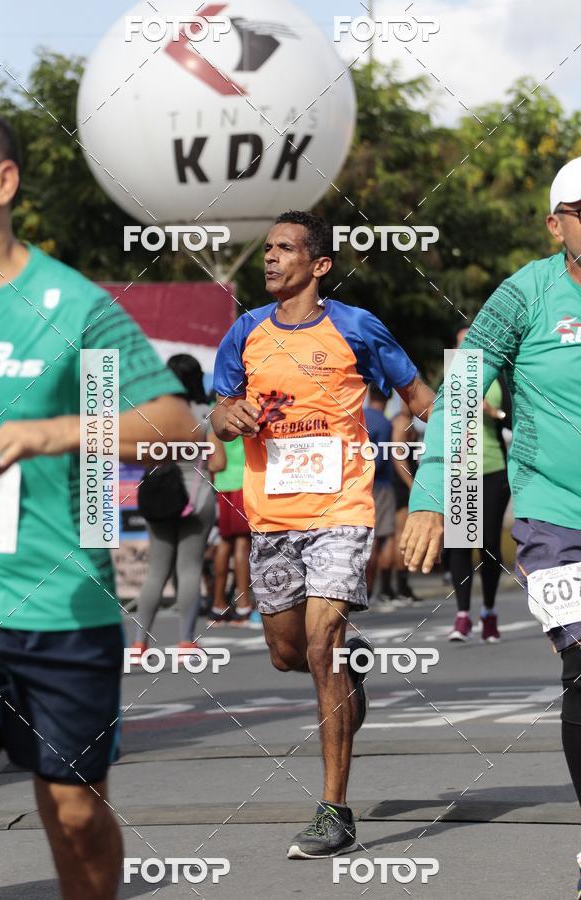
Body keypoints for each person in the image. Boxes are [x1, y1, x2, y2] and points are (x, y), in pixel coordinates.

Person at [0, 108, 198, 899]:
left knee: (74, 815)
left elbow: (173, 424)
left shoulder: (72, 306)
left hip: (60, 602)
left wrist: (58, 432)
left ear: (3, 181)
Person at [212, 210, 434, 859]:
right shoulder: (245, 332)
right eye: (268, 248)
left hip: (341, 510)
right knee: (287, 653)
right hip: (273, 519)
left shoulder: (357, 327)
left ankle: (334, 811)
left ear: (320, 264)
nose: (270, 257)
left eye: (285, 248)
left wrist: (447, 461)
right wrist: (230, 414)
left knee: (321, 648)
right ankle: (351, 668)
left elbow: (421, 399)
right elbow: (217, 415)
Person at [401, 157, 581, 896]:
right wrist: (432, 494)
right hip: (553, 512)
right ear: (555, 224)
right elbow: (461, 390)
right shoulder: (523, 295)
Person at [131, 354, 223, 660]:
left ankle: (139, 643)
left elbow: (142, 457)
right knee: (190, 569)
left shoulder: (154, 414)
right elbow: (218, 463)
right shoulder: (206, 414)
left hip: (160, 495)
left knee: (156, 572)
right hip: (197, 497)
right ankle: (186, 642)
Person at [448, 327, 512, 643]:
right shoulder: (451, 379)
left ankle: (488, 611)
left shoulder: (499, 377)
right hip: (459, 470)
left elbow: (514, 420)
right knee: (459, 542)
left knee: (488, 543)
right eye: (461, 345)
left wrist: (492, 411)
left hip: (493, 469)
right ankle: (462, 615)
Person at [209, 435, 261, 627]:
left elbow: (215, 459)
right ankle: (243, 606)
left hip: (222, 483)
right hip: (243, 482)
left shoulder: (215, 420)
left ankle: (218, 606)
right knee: (242, 542)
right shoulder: (244, 417)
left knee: (224, 542)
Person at [364, 384, 396, 610]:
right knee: (382, 537)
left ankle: (363, 592)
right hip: (380, 484)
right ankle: (376, 591)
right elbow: (381, 459)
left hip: (356, 484)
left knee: (364, 538)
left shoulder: (359, 416)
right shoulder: (385, 424)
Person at [390, 398, 424, 604]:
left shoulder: (409, 423)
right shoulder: (402, 422)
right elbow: (398, 456)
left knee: (404, 533)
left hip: (405, 482)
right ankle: (400, 586)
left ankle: (402, 585)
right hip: (401, 484)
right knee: (401, 534)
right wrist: (411, 485)